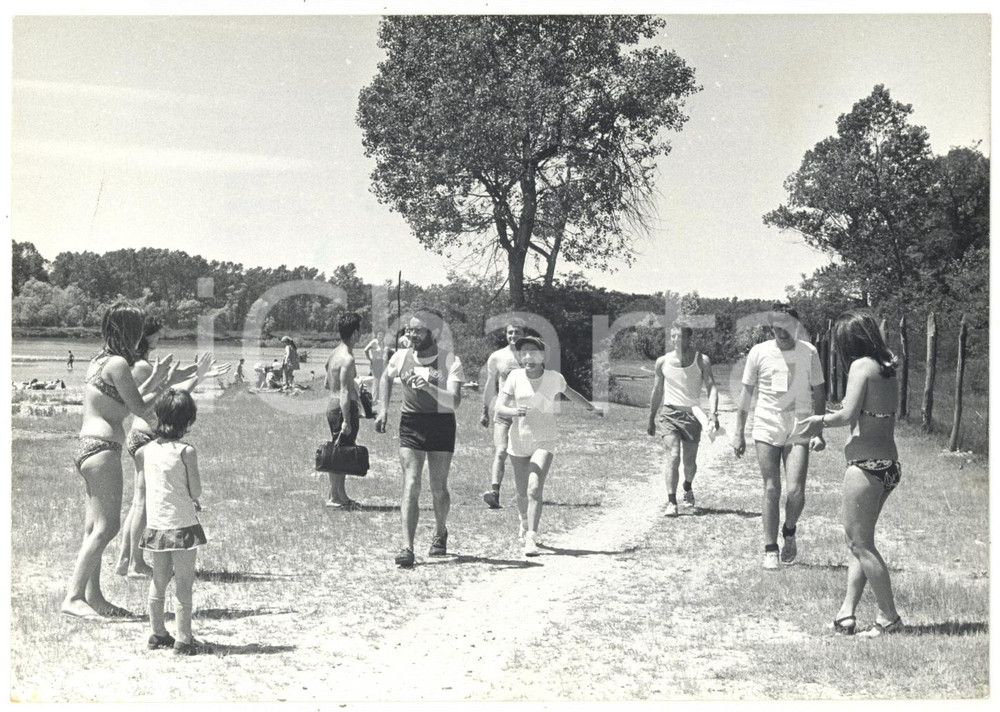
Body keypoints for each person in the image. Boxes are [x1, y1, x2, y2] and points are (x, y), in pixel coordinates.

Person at [61, 304, 174, 620]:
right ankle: (73, 597)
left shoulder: (99, 361)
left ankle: (93, 597)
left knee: (93, 528)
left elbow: (123, 402)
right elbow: (140, 408)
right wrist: (170, 421)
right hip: (103, 448)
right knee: (107, 526)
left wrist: (158, 379)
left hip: (88, 447)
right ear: (131, 330)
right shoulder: (120, 363)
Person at [796, 310, 903, 637]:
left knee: (860, 544)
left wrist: (819, 421)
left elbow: (847, 415)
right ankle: (846, 614)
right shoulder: (886, 367)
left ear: (849, 341)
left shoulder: (860, 366)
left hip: (865, 467)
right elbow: (865, 412)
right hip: (888, 465)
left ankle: (889, 618)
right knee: (860, 541)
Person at [116, 317, 221, 578]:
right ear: (145, 336)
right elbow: (165, 399)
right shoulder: (142, 366)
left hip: (140, 435)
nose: (160, 338)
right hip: (147, 436)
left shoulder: (140, 364)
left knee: (138, 503)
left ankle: (125, 560)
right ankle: (135, 563)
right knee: (142, 504)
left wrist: (198, 375)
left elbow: (170, 394)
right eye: (157, 335)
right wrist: (197, 375)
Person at [732, 303, 826, 570]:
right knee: (771, 488)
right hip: (767, 423)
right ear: (770, 327)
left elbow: (820, 392)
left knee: (795, 491)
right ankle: (770, 549)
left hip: (799, 423)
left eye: (787, 326)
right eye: (777, 327)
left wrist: (819, 431)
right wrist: (739, 432)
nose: (782, 332)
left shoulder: (809, 352)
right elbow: (746, 393)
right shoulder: (759, 352)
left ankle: (789, 529)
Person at [497, 336, 604, 557]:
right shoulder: (515, 377)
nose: (528, 357)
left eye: (533, 352)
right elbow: (499, 407)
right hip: (518, 441)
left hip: (544, 440)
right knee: (521, 493)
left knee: (534, 488)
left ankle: (531, 538)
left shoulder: (554, 378)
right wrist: (514, 411)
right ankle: (524, 521)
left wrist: (591, 408)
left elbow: (571, 394)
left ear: (543, 356)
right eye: (523, 353)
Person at [375, 307, 465, 568]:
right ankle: (408, 547)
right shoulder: (401, 357)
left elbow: (454, 401)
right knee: (411, 483)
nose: (411, 335)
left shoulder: (450, 361)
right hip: (412, 422)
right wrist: (383, 409)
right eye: (409, 330)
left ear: (433, 332)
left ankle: (440, 532)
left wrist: (429, 386)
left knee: (438, 487)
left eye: (418, 330)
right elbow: (385, 377)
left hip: (441, 423)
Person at [138, 388, 207, 655]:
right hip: (182, 525)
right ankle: (184, 638)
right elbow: (195, 490)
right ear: (188, 421)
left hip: (157, 525)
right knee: (184, 583)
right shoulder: (186, 451)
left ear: (159, 416)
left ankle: (157, 632)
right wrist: (193, 498)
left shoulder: (147, 450)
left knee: (159, 579)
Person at [647, 324, 720, 516]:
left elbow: (711, 387)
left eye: (680, 336)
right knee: (673, 456)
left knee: (689, 463)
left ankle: (687, 486)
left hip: (692, 415)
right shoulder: (662, 362)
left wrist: (713, 413)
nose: (676, 340)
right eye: (673, 336)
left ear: (689, 338)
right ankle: (672, 502)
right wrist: (651, 417)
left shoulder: (702, 360)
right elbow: (657, 390)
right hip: (669, 414)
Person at [479, 320, 525, 509]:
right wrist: (485, 410)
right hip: (503, 412)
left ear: (523, 334)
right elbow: (490, 385)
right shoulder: (497, 357)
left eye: (517, 332)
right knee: (501, 451)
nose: (513, 336)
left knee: (523, 454)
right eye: (510, 332)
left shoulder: (531, 355)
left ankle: (526, 492)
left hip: (525, 413)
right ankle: (494, 493)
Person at [323, 312, 364, 509]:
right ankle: (334, 497)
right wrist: (347, 419)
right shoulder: (348, 358)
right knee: (341, 452)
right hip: (342, 408)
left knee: (340, 450)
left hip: (332, 405)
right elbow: (345, 391)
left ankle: (340, 494)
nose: (361, 334)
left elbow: (326, 382)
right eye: (360, 330)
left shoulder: (334, 354)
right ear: (355, 332)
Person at [363, 330, 388, 404]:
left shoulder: (383, 343)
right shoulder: (374, 342)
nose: (380, 336)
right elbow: (365, 350)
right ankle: (374, 399)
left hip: (381, 362)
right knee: (376, 380)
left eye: (382, 335)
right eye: (379, 335)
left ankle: (378, 398)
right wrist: (370, 358)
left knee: (380, 380)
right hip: (375, 362)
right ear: (377, 335)